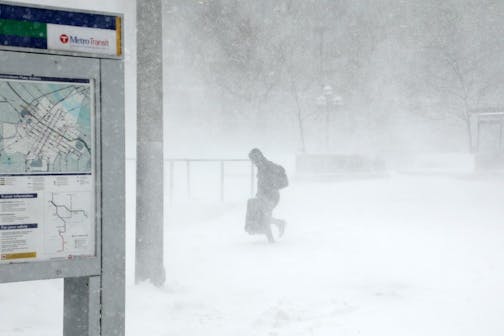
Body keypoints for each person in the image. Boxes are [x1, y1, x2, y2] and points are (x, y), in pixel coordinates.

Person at [247, 148, 288, 243]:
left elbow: (279, 173)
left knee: (265, 217)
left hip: (271, 196)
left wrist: (271, 186)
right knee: (265, 217)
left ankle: (271, 241)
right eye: (252, 160)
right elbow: (261, 183)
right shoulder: (261, 167)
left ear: (258, 157)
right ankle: (279, 224)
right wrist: (259, 194)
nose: (253, 162)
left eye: (253, 160)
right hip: (263, 196)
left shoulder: (268, 166)